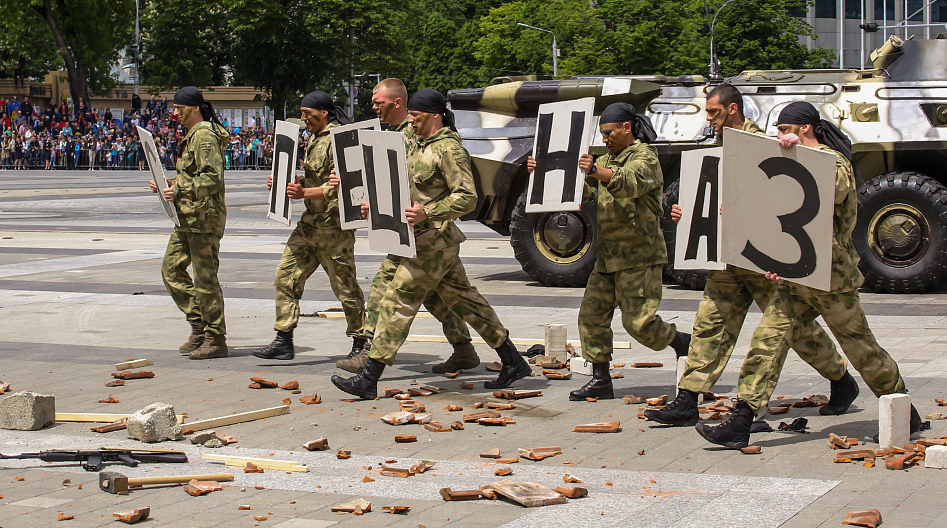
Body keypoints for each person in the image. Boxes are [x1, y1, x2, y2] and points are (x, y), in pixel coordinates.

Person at [695, 101, 921, 449]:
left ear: (804, 129)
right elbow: (777, 217)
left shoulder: (833, 162)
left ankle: (905, 411)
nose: (780, 137)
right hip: (795, 278)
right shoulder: (790, 163)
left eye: (785, 130)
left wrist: (800, 154)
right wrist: (775, 258)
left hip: (831, 278)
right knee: (766, 343)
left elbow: (836, 188)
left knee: (862, 349)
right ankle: (742, 421)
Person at [645, 85, 852, 426]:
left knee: (795, 330)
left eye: (713, 112)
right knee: (709, 324)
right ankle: (687, 400)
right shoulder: (716, 149)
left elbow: (783, 197)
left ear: (733, 109)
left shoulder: (764, 147)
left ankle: (841, 380)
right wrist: (695, 212)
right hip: (726, 257)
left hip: (759, 256)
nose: (708, 118)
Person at [331, 88, 531, 400]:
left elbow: (467, 197)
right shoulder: (420, 146)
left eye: (416, 115)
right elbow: (406, 192)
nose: (410, 120)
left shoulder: (449, 149)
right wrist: (380, 207)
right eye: (409, 115)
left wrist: (430, 212)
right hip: (427, 243)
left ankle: (370, 378)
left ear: (434, 115)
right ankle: (513, 361)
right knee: (469, 303)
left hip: (432, 244)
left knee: (396, 302)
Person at [529, 102, 689, 401]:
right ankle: (601, 379)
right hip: (609, 257)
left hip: (639, 257)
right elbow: (585, 192)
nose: (604, 139)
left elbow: (629, 183)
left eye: (609, 132)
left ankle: (682, 342)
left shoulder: (646, 157)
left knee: (639, 324)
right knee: (591, 317)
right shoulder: (606, 158)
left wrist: (596, 169)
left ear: (627, 128)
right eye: (602, 133)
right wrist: (544, 171)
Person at [334, 78, 480, 375]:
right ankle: (465, 348)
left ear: (397, 103)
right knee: (441, 297)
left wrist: (418, 211)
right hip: (411, 230)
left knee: (390, 291)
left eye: (379, 102)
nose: (374, 107)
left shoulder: (414, 138)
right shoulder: (393, 136)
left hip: (428, 233)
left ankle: (369, 355)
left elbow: (426, 186)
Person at [252, 91, 366, 362]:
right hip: (310, 225)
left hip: (334, 228)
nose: (304, 119)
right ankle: (283, 339)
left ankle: (362, 341)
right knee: (285, 277)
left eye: (307, 114)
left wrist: (303, 193)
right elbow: (317, 177)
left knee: (345, 287)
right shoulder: (315, 138)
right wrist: (286, 182)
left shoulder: (341, 140)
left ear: (324, 113)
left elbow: (342, 186)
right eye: (302, 113)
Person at [150, 86, 231, 360]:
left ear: (194, 107)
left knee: (205, 279)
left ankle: (215, 337)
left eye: (179, 107)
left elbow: (212, 179)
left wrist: (180, 189)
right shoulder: (194, 135)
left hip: (203, 218)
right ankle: (199, 325)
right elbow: (194, 177)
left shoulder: (204, 136)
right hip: (188, 216)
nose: (176, 112)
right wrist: (169, 185)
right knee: (171, 270)